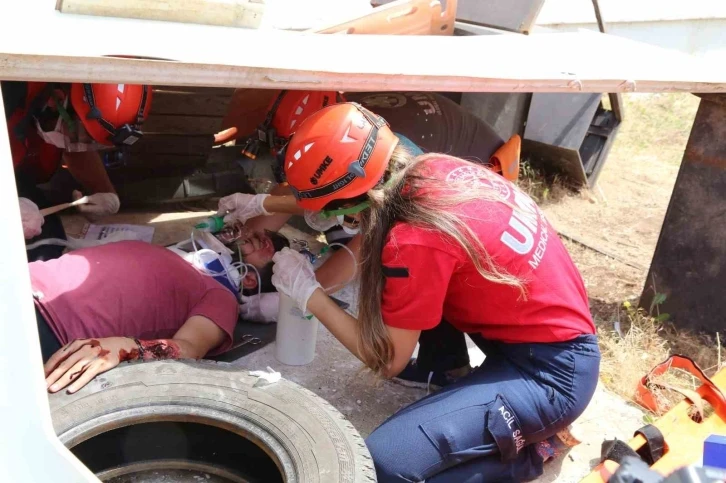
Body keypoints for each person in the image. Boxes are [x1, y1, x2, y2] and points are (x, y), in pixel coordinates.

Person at [262, 102, 599, 481]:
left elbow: (385, 358)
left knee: (387, 462)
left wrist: (310, 294)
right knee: (416, 284)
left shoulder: (414, 238)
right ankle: (446, 368)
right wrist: (262, 203)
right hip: (546, 337)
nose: (332, 220)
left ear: (351, 198)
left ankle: (530, 452)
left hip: (551, 375)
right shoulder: (434, 168)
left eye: (331, 210)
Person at [33, 241, 239, 394]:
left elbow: (189, 348)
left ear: (248, 279)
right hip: (25, 280)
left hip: (50, 328)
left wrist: (127, 348)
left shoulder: (220, 295)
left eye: (265, 241)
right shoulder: (175, 256)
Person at [3, 81, 151, 261]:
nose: (83, 143)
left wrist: (105, 193)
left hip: (16, 183)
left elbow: (74, 144)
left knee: (49, 239)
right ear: (57, 99)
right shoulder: (9, 91)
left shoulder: (60, 105)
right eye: (83, 134)